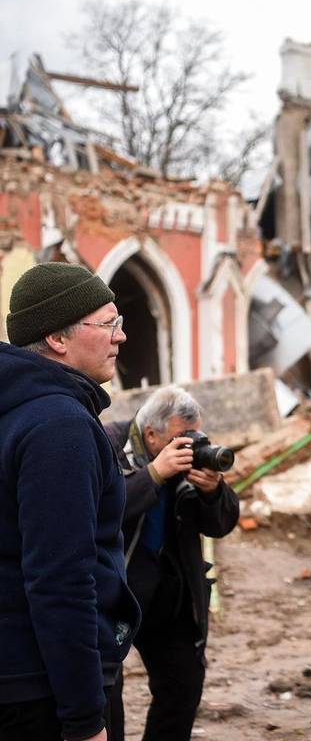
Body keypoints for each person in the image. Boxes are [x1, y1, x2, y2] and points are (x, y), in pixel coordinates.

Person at [0, 262, 140, 741]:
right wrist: (84, 719)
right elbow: (60, 580)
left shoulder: (17, 410)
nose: (120, 336)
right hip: (40, 689)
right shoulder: (57, 426)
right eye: (108, 323)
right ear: (58, 339)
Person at [104, 385, 239, 741]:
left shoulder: (190, 460)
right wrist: (153, 475)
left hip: (170, 595)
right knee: (105, 697)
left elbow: (221, 525)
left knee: (183, 686)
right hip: (115, 595)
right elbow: (100, 510)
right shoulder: (108, 445)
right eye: (183, 438)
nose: (192, 445)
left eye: (197, 436)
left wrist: (213, 491)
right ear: (151, 434)